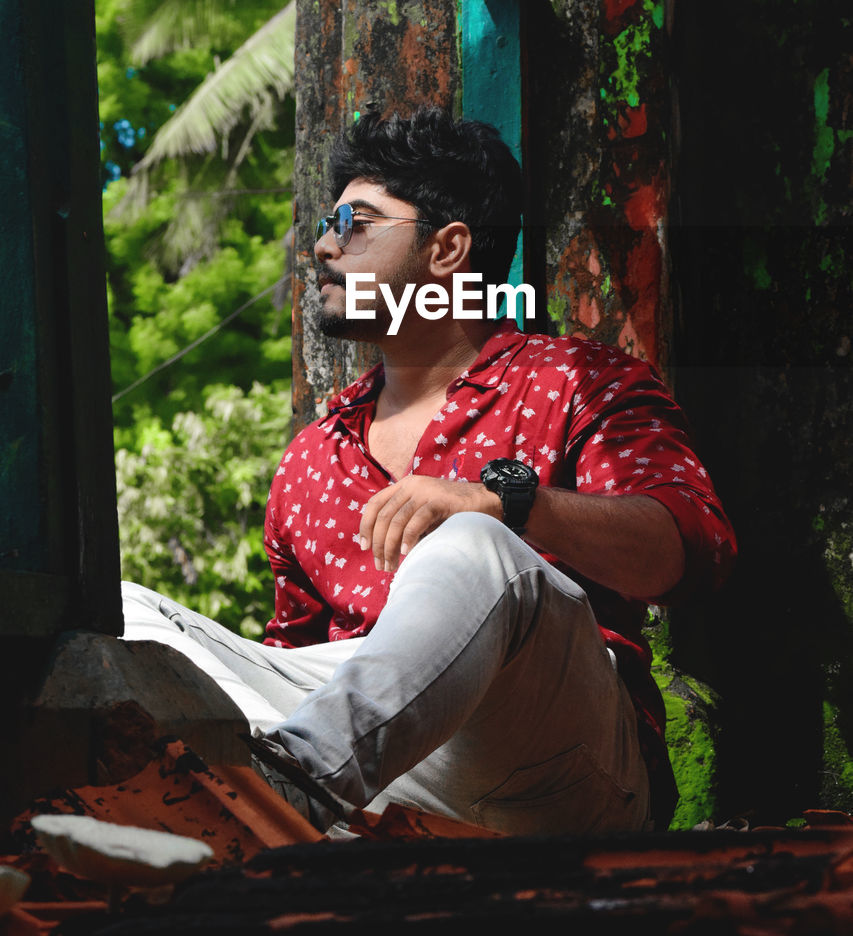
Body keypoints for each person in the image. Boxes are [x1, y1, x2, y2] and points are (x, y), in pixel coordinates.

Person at [123, 107, 736, 837]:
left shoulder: (574, 380)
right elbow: (294, 662)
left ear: (445, 250)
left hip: (551, 766)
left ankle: (276, 803)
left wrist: (505, 504)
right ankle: (268, 802)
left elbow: (692, 550)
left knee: (472, 548)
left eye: (354, 223)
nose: (322, 245)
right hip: (379, 778)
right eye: (327, 223)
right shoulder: (311, 459)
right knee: (121, 613)